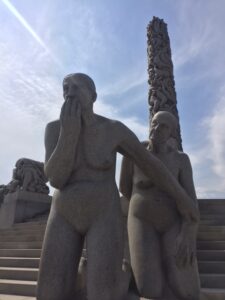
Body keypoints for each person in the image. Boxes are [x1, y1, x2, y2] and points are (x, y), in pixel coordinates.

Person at [37, 74, 199, 300]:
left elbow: (151, 165)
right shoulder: (54, 129)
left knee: (101, 295)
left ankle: (120, 276)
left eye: (77, 87)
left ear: (93, 96)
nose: (69, 92)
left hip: (102, 212)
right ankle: (86, 276)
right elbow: (55, 178)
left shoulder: (113, 130)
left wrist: (185, 204)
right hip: (63, 212)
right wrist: (69, 133)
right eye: (65, 88)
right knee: (48, 294)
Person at [120, 111, 200, 300]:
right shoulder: (134, 152)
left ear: (172, 132)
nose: (156, 129)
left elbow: (191, 200)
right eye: (154, 123)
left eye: (163, 126)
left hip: (172, 221)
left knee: (187, 290)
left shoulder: (181, 160)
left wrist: (188, 231)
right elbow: (125, 188)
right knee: (150, 289)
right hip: (142, 220)